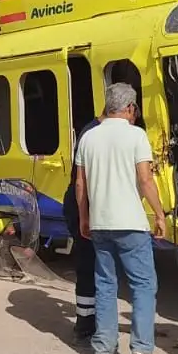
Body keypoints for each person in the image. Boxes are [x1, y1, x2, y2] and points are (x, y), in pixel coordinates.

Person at [74, 81, 167, 354]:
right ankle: (141, 350)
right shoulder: (136, 135)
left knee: (105, 284)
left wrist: (83, 217)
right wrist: (160, 214)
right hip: (131, 225)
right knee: (143, 286)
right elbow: (145, 180)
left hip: (100, 223)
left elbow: (80, 184)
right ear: (129, 108)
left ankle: (103, 349)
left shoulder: (88, 137)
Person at [60, 114, 101, 339]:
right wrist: (84, 217)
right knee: (89, 267)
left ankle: (87, 322)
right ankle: (86, 326)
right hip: (83, 205)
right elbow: (80, 183)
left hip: (82, 205)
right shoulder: (92, 134)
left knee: (90, 266)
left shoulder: (90, 131)